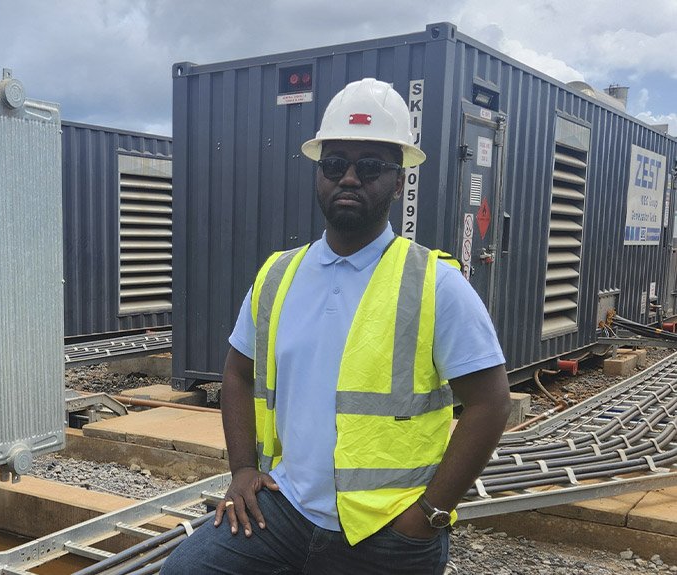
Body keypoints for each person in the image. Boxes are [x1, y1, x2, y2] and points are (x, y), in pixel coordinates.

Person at [162, 78, 511, 574]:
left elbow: (490, 402)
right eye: (334, 164)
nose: (349, 177)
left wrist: (429, 514)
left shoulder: (435, 284)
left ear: (398, 180)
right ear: (318, 174)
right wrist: (242, 468)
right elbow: (237, 374)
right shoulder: (278, 275)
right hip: (285, 509)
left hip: (387, 529)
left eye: (369, 166)